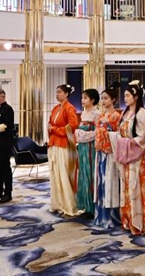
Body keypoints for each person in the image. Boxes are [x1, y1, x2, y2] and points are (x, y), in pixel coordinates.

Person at [109, 80, 145, 235]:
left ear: (136, 97)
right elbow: (120, 132)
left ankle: (140, 223)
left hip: (137, 157)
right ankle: (128, 220)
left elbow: (144, 138)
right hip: (126, 155)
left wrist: (126, 142)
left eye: (128, 95)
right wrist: (117, 138)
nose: (125, 98)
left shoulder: (141, 113)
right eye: (124, 96)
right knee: (126, 187)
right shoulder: (125, 112)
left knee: (136, 187)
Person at [48, 84, 81, 216]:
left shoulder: (69, 108)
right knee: (55, 174)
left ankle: (68, 204)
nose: (57, 94)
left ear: (66, 94)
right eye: (56, 92)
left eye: (60, 92)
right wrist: (51, 128)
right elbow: (50, 123)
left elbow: (73, 125)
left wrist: (55, 129)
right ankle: (58, 203)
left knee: (64, 174)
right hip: (54, 144)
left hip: (64, 144)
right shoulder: (56, 108)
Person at [94, 82, 122, 228]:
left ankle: (112, 217)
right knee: (101, 183)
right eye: (102, 98)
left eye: (106, 98)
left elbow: (120, 135)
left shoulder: (116, 116)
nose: (103, 101)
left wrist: (108, 130)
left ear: (113, 100)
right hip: (100, 153)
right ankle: (101, 215)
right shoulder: (101, 116)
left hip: (111, 153)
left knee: (110, 182)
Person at [75, 89, 100, 217]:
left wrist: (83, 135)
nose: (82, 100)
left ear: (93, 100)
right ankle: (85, 205)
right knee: (83, 174)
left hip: (91, 148)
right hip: (82, 147)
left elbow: (98, 132)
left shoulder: (97, 114)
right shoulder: (83, 114)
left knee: (90, 173)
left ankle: (92, 208)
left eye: (85, 98)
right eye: (82, 97)